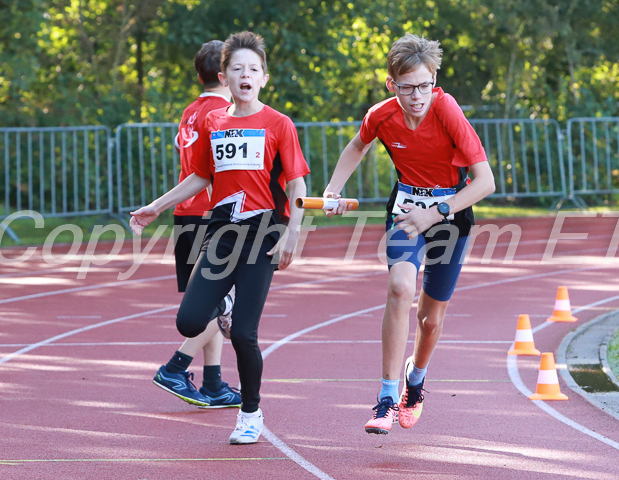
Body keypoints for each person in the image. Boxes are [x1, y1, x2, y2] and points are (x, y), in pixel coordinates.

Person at [130, 31, 310, 445]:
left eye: (253, 69)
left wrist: (292, 235)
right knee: (188, 321)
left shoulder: (279, 124)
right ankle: (225, 301)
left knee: (245, 334)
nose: (245, 75)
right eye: (236, 69)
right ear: (224, 77)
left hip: (264, 234)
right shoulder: (214, 121)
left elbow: (297, 184)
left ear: (264, 77)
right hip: (222, 235)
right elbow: (201, 176)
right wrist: (156, 206)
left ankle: (250, 413)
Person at [323, 33, 495, 435]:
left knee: (430, 320)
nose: (417, 96)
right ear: (391, 85)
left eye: (424, 85)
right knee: (400, 288)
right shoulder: (381, 115)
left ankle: (414, 382)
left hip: (450, 214)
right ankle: (385, 396)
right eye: (407, 88)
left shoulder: (447, 109)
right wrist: (333, 190)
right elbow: (355, 147)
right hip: (404, 212)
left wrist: (434, 213)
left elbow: (484, 182)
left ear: (434, 79)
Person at [151, 39, 241, 410]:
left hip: (186, 214)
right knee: (220, 303)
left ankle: (215, 382)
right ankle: (176, 365)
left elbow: (181, 147)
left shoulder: (191, 111)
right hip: (212, 213)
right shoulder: (224, 112)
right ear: (224, 73)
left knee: (209, 303)